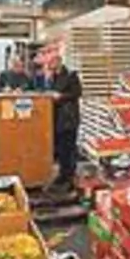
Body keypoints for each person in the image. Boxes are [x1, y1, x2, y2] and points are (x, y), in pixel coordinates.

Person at [41, 49, 82, 190]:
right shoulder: (52, 77)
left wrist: (61, 96)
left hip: (68, 119)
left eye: (51, 62)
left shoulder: (71, 75)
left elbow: (77, 93)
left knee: (69, 148)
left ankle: (70, 178)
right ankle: (63, 175)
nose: (48, 64)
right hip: (56, 119)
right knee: (60, 149)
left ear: (58, 61)